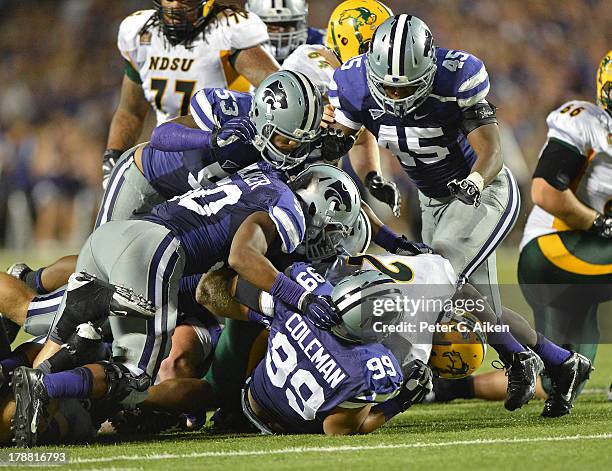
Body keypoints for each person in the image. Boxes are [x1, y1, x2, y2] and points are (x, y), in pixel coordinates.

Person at [517, 50, 612, 415]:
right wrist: (597, 222)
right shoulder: (586, 123)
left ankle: (449, 386)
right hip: (551, 250)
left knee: (557, 381)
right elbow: (544, 191)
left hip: (582, 260)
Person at [102, 0, 280, 187]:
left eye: (185, 0)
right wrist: (113, 156)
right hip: (167, 156)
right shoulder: (140, 34)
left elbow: (279, 90)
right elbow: (131, 112)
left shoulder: (226, 32)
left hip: (223, 161)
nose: (175, 6)